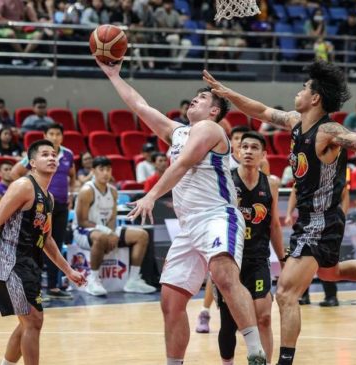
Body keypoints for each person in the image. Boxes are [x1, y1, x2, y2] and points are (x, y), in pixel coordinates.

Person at [203, 61, 356, 365]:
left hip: (321, 219)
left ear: (315, 98)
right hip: (311, 220)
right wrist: (228, 93)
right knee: (332, 272)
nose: (299, 90)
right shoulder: (295, 121)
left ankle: (284, 362)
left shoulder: (329, 131)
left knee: (286, 294)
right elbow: (260, 111)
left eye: (304, 87)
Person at [97, 59, 267, 364]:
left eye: (203, 98)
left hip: (217, 215)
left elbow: (185, 163)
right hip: (189, 227)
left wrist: (150, 195)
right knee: (170, 301)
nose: (195, 99)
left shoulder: (210, 128)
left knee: (223, 274)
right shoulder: (176, 132)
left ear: (214, 110)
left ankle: (255, 350)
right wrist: (113, 75)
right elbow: (139, 104)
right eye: (195, 96)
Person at [0, 139, 86, 365]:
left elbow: (47, 239)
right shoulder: (23, 186)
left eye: (54, 154)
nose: (52, 157)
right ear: (32, 163)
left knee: (29, 322)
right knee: (33, 320)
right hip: (9, 260)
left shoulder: (48, 198)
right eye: (45, 154)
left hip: (30, 263)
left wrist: (68, 270)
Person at [217, 132, 286, 364]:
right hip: (231, 259)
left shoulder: (271, 183)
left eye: (254, 147)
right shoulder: (226, 179)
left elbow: (274, 224)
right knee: (229, 324)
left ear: (263, 154)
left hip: (258, 259)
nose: (248, 151)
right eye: (244, 146)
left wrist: (283, 258)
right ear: (236, 152)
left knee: (264, 317)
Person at [72, 156, 157, 296]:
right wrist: (107, 233)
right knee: (100, 238)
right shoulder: (86, 191)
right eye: (101, 169)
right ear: (93, 171)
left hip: (106, 230)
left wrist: (111, 233)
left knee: (142, 235)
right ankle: (93, 280)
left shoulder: (113, 191)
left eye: (108, 169)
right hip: (83, 232)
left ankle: (133, 280)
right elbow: (82, 221)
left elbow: (112, 218)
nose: (105, 173)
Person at [11, 123, 77, 299]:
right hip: (38, 206)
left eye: (58, 134)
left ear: (62, 137)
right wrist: (30, 190)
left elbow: (72, 175)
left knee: (54, 243)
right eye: (51, 134)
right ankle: (35, 288)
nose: (55, 137)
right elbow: (15, 172)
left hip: (60, 205)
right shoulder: (37, 155)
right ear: (45, 135)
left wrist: (70, 193)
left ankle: (54, 288)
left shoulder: (68, 154)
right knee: (37, 245)